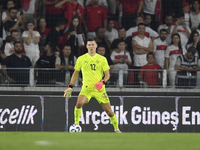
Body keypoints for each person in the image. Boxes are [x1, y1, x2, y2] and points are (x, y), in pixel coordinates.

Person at [63, 38, 121, 133]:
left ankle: (116, 129)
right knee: (79, 104)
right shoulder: (81, 59)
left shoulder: (102, 59)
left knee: (109, 112)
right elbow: (75, 73)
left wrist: (102, 82)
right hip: (86, 88)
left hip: (99, 89)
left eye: (92, 45)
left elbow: (107, 75)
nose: (91, 47)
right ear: (86, 46)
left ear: (96, 46)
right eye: (89, 45)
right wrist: (70, 86)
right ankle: (76, 125)